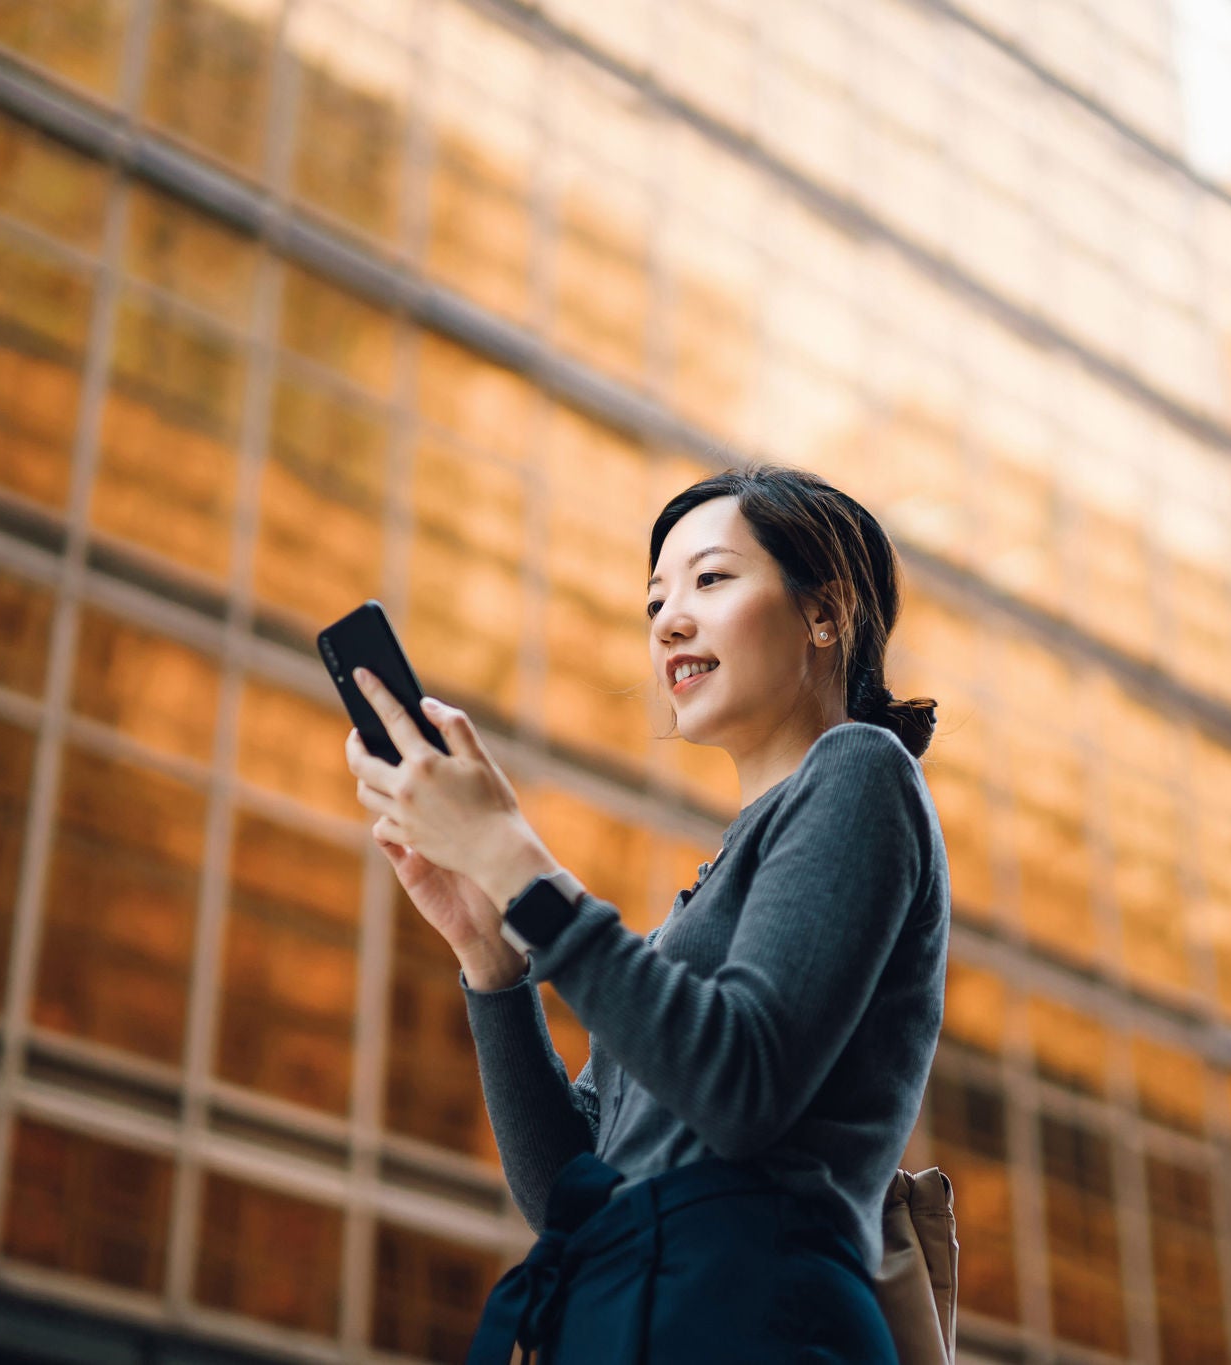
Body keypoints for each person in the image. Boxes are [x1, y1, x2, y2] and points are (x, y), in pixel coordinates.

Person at [344, 463, 950, 1362]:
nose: (669, 618)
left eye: (711, 579)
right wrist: (491, 958)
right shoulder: (690, 908)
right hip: (632, 1322)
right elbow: (571, 1194)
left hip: (753, 1319)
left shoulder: (861, 771)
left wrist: (517, 860)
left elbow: (741, 1085)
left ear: (825, 614)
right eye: (656, 599)